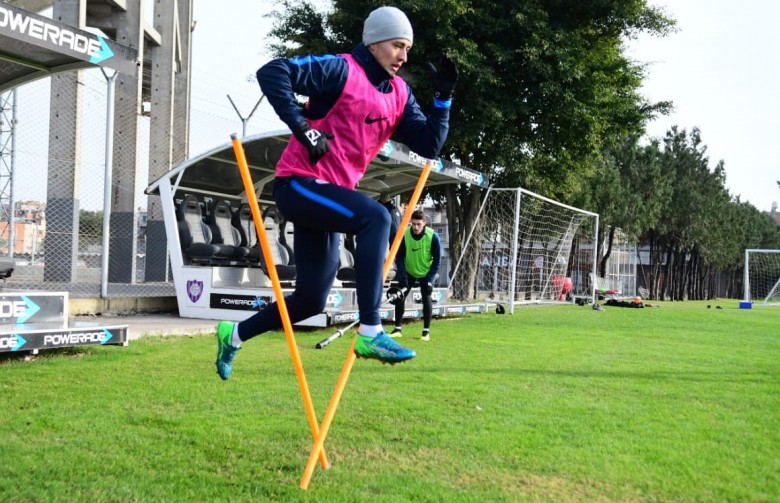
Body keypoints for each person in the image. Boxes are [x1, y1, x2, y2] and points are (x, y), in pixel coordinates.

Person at [214, 6, 458, 379]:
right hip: (297, 183)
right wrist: (302, 127)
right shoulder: (341, 69)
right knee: (376, 216)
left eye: (407, 48)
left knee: (311, 299)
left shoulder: (399, 93)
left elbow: (429, 145)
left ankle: (234, 334)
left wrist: (443, 98)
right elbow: (273, 72)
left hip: (330, 194)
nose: (403, 56)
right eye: (397, 46)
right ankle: (371, 330)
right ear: (375, 43)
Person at [390, 210, 441, 341]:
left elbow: (437, 260)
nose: (416, 227)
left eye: (419, 224)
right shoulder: (405, 234)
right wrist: (402, 275)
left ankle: (426, 332)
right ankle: (397, 329)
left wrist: (430, 279)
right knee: (400, 297)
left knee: (426, 297)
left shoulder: (433, 236)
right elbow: (399, 256)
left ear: (425, 223)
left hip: (426, 272)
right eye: (413, 224)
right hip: (409, 271)